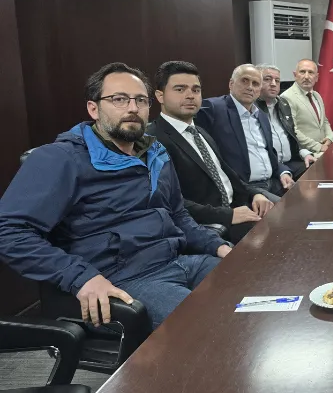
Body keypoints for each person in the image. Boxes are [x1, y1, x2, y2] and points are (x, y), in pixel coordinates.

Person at [0, 62, 232, 330]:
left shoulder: (155, 152)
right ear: (93, 109)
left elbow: (178, 214)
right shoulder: (60, 159)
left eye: (140, 100)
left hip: (179, 261)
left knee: (253, 287)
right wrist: (80, 277)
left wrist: (218, 246)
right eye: (119, 99)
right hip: (125, 279)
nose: (133, 108)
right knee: (213, 328)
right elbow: (9, 230)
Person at [147, 61, 274, 244]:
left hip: (236, 208)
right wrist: (228, 215)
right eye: (180, 89)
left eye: (196, 90)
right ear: (160, 96)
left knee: (288, 221)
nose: (190, 95)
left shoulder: (200, 132)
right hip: (205, 224)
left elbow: (228, 175)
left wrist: (254, 194)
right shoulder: (153, 139)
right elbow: (168, 201)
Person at [195, 64, 293, 201]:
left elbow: (270, 153)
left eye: (255, 84)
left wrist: (282, 171)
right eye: (244, 81)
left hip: (273, 182)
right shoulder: (213, 108)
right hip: (245, 189)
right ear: (231, 84)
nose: (250, 87)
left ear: (259, 90)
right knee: (289, 210)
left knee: (307, 200)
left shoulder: (261, 116)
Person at [255, 63, 316, 179]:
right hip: (269, 167)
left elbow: (292, 136)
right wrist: (281, 170)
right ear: (257, 82)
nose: (273, 84)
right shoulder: (252, 109)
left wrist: (305, 154)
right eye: (267, 79)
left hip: (290, 162)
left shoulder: (283, 104)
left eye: (277, 80)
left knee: (317, 169)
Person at [282, 59, 333, 156]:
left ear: (317, 77)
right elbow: (293, 131)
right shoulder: (287, 97)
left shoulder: (317, 95)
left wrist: (330, 137)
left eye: (310, 72)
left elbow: (324, 121)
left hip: (322, 151)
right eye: (302, 72)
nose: (306, 76)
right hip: (305, 154)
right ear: (295, 75)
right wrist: (318, 147)